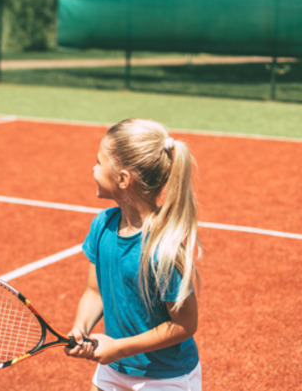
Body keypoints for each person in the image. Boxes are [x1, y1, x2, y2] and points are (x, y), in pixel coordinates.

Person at [65, 119, 202, 390]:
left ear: (123, 179)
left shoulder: (162, 248)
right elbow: (94, 292)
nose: (93, 168)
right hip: (114, 368)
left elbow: (185, 324)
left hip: (165, 377)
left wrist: (120, 347)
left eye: (99, 162)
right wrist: (81, 327)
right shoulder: (101, 225)